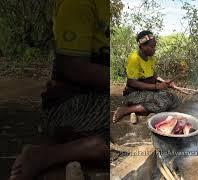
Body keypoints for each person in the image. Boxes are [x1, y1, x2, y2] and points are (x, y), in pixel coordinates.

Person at [9, 0, 109, 179]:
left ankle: (95, 146)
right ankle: (47, 156)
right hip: (73, 103)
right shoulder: (79, 4)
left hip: (99, 97)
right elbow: (73, 67)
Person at [112, 30, 179, 122]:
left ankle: (144, 108)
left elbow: (154, 76)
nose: (154, 49)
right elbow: (132, 82)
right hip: (134, 94)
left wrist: (165, 82)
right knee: (162, 102)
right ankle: (126, 109)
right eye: (152, 46)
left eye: (155, 46)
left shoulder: (150, 57)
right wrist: (156, 86)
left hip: (147, 91)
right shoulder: (134, 58)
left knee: (173, 98)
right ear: (142, 46)